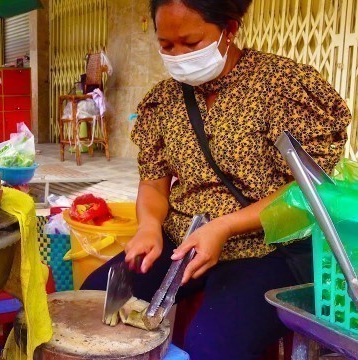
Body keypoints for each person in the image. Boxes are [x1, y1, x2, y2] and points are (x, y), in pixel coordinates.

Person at [81, 0, 352, 359]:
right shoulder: (164, 101)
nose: (177, 55)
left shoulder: (282, 86)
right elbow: (154, 181)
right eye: (166, 45)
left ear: (231, 28)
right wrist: (148, 225)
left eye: (191, 43)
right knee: (93, 299)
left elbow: (306, 186)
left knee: (213, 344)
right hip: (183, 241)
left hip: (266, 248)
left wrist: (224, 228)